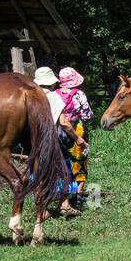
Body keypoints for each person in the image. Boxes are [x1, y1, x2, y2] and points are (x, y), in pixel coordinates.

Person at [33, 66, 86, 218]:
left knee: (37, 172)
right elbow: (63, 122)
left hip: (34, 139)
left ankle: (42, 208)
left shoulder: (30, 95)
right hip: (52, 138)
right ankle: (64, 204)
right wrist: (78, 138)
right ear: (51, 82)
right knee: (64, 169)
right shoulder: (52, 96)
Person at [55, 67, 95, 210]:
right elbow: (87, 115)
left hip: (57, 132)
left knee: (64, 164)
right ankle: (76, 197)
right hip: (77, 131)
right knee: (79, 163)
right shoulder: (79, 94)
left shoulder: (55, 94)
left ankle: (64, 196)